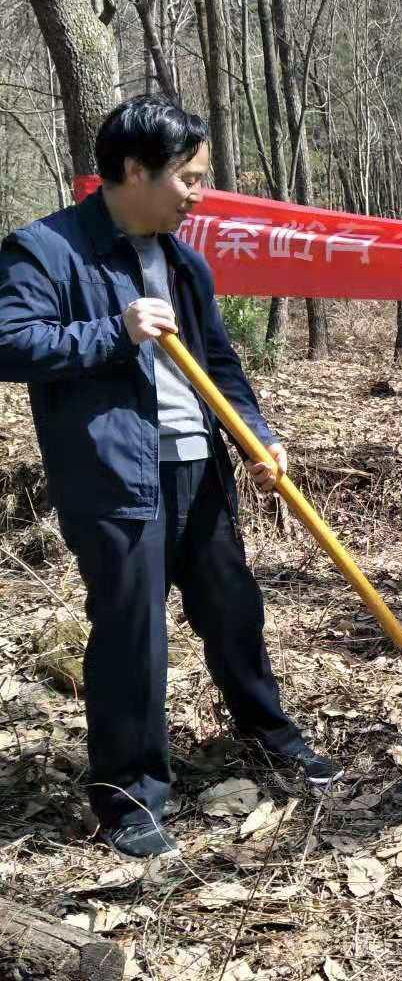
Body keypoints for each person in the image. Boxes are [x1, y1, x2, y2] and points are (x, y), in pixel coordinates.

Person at [0, 95, 335, 859]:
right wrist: (110, 334)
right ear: (131, 171)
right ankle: (129, 797)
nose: (198, 193)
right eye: (188, 177)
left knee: (232, 608)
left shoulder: (182, 261)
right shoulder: (46, 250)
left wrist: (258, 435)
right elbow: (10, 342)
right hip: (115, 476)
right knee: (132, 636)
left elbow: (219, 363)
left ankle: (270, 735)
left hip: (198, 467)